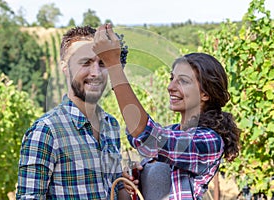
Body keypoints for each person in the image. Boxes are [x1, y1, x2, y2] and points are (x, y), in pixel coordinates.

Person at [93, 24, 240, 200]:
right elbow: (137, 137)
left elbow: (147, 136)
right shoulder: (172, 131)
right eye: (172, 79)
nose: (170, 87)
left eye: (183, 81)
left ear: (205, 94)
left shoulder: (209, 141)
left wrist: (114, 67)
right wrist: (136, 179)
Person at [16, 25, 130, 200]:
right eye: (85, 62)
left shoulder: (111, 125)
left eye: (102, 63)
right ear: (64, 67)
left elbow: (116, 188)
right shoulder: (46, 132)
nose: (96, 73)